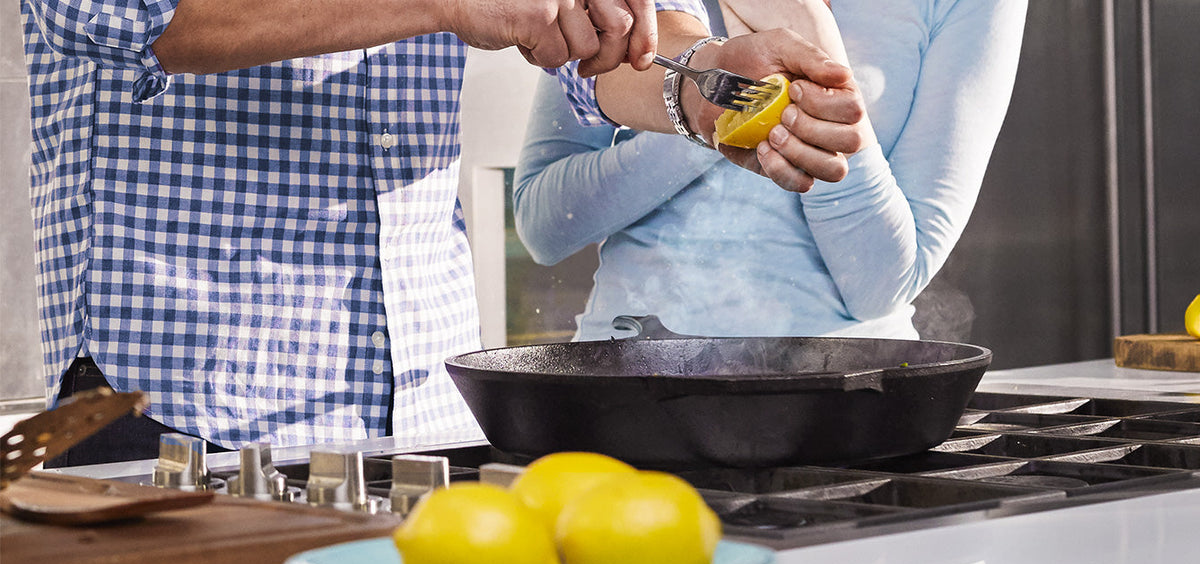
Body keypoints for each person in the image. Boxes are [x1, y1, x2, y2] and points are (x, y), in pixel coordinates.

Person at [21, 0, 865, 466]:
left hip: (428, 425)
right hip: (181, 422)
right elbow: (109, 13)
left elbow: (608, 38)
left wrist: (704, 84)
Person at [513, 0, 1027, 342]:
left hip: (845, 398)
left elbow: (883, 284)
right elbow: (544, 225)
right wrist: (717, 111)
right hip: (625, 381)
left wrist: (814, 42)